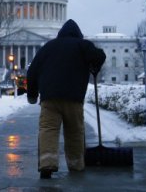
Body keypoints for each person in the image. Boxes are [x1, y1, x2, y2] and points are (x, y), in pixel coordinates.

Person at [26, 19, 106, 179]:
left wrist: (32, 94)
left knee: (48, 129)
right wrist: (95, 63)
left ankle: (47, 164)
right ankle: (76, 164)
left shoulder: (47, 47)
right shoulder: (82, 45)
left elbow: (32, 71)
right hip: (74, 98)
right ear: (78, 34)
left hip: (49, 99)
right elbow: (99, 57)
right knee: (75, 131)